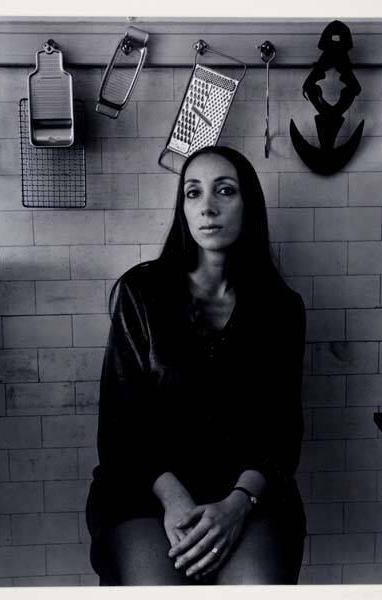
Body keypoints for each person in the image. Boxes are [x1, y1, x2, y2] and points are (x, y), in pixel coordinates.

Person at [85, 145, 307, 585]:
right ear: (182, 209)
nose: (207, 206)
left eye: (225, 191)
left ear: (250, 205)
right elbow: (120, 425)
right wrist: (175, 501)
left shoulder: (282, 308)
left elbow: (282, 432)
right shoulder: (142, 292)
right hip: (145, 489)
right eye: (192, 193)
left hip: (246, 493)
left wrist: (237, 504)